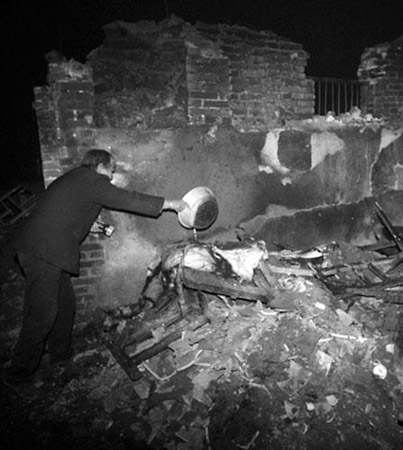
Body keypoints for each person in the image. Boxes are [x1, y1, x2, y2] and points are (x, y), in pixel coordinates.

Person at [5, 149, 186, 384]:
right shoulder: (91, 179)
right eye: (111, 170)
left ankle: (60, 355)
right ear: (100, 166)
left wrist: (89, 224)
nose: (111, 176)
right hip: (43, 252)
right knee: (42, 312)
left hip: (46, 251)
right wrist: (170, 204)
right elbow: (126, 198)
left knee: (65, 305)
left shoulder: (75, 179)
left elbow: (64, 212)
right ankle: (19, 371)